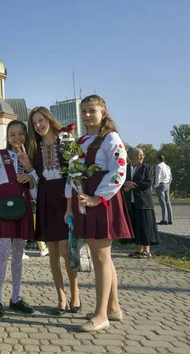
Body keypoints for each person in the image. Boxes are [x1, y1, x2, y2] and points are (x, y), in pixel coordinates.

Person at [64, 94, 133, 333]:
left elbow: (119, 171)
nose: (86, 115)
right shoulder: (82, 140)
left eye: (92, 111)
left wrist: (98, 198)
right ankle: (113, 308)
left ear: (103, 112)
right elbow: (72, 174)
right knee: (101, 256)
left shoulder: (110, 138)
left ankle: (101, 314)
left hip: (103, 202)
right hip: (84, 201)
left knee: (101, 257)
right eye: (83, 111)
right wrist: (70, 206)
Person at [28, 106, 81, 315]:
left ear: (49, 119)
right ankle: (61, 297)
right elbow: (35, 177)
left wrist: (71, 205)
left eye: (41, 120)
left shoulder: (66, 141)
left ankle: (75, 294)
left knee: (66, 250)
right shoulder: (34, 147)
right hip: (45, 197)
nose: (38, 125)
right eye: (34, 123)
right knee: (52, 252)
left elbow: (75, 174)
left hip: (64, 196)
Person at [0, 120, 37, 318]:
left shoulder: (29, 157)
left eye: (20, 134)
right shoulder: (0, 155)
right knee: (3, 252)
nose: (17, 138)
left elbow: (36, 189)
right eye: (12, 134)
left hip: (22, 209)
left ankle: (15, 297)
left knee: (18, 253)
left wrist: (30, 173)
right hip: (5, 208)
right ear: (7, 137)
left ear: (26, 135)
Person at [123, 148, 159, 258]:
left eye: (142, 155)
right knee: (137, 226)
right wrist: (124, 184)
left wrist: (131, 186)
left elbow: (147, 183)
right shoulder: (126, 168)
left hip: (144, 202)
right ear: (132, 156)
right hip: (131, 202)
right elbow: (119, 179)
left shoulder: (147, 168)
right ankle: (139, 249)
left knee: (145, 226)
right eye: (139, 155)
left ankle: (147, 250)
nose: (142, 157)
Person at [154, 154, 173, 225]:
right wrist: (169, 183)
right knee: (168, 202)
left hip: (161, 184)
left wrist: (156, 185)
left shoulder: (158, 166)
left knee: (163, 203)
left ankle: (164, 219)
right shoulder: (167, 166)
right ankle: (170, 219)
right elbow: (171, 177)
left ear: (158, 159)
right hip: (167, 184)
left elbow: (158, 177)